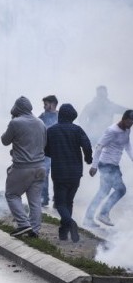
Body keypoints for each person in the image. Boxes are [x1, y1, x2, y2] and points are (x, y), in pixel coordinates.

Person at [44, 104, 93, 242]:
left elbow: (46, 150)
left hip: (59, 173)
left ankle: (70, 224)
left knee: (60, 203)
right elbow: (87, 145)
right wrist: (88, 159)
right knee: (69, 202)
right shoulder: (77, 130)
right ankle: (64, 233)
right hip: (75, 172)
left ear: (60, 116)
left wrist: (55, 153)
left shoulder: (51, 131)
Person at [0, 96, 46, 238]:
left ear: (17, 108)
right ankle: (35, 230)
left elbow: (4, 140)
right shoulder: (40, 122)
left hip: (22, 168)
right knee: (35, 201)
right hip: (40, 167)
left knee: (12, 195)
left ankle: (23, 224)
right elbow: (43, 143)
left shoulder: (15, 123)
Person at [83, 110, 133, 227]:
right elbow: (99, 146)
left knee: (103, 192)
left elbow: (127, 145)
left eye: (132, 123)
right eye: (129, 122)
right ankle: (103, 214)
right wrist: (94, 166)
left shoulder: (127, 129)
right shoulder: (112, 130)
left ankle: (88, 219)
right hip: (106, 165)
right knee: (121, 189)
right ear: (124, 119)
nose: (131, 125)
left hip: (114, 165)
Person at [38, 95, 59, 207]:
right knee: (44, 173)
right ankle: (44, 198)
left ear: (53, 104)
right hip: (45, 150)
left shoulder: (60, 116)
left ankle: (57, 200)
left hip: (57, 151)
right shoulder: (42, 116)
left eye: (46, 104)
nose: (44, 106)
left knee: (57, 176)